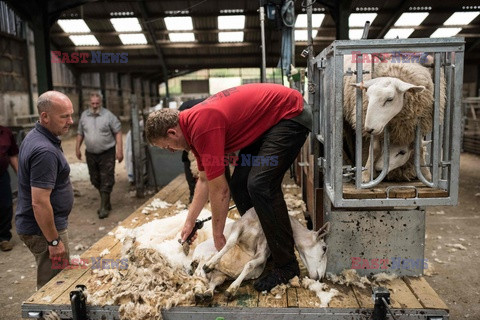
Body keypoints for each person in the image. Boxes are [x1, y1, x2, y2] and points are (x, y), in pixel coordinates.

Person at [145, 83, 312, 292]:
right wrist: (189, 223)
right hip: (269, 122)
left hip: (289, 114)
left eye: (166, 146)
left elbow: (219, 190)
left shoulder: (202, 125)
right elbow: (206, 181)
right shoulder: (191, 129)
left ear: (171, 132)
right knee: (240, 185)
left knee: (260, 184)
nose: (169, 150)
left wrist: (218, 236)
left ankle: (287, 265)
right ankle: (266, 248)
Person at [15, 91, 74, 289]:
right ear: (45, 117)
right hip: (45, 231)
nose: (70, 121)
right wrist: (54, 242)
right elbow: (39, 201)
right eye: (64, 116)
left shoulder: (36, 136)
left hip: (45, 228)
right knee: (56, 287)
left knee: (59, 280)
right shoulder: (44, 150)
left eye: (71, 115)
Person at [75, 91, 123, 218]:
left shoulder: (109, 116)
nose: (95, 105)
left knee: (106, 179)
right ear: (89, 103)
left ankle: (103, 208)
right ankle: (106, 202)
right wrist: (77, 148)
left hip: (107, 152)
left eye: (97, 103)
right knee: (95, 179)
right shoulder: (84, 116)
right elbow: (80, 133)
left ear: (101, 102)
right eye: (92, 103)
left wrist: (119, 150)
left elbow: (118, 132)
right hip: (90, 153)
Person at [0, 125, 19, 251]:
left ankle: (3, 238)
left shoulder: (5, 132)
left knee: (6, 205)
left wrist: (20, 175)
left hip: (2, 175)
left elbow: (12, 155)